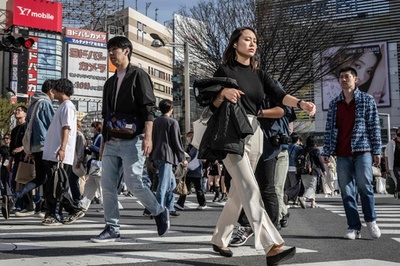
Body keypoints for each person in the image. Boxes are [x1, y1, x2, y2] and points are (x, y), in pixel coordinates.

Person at [209, 27, 315, 265]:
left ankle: (219, 239)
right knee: (249, 187)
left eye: (255, 40)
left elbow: (280, 95)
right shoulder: (224, 70)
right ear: (235, 43)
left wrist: (301, 103)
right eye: (247, 39)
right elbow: (212, 103)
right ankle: (271, 246)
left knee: (239, 191)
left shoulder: (259, 73)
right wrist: (223, 93)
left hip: (255, 131)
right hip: (231, 132)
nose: (252, 43)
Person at [91, 36, 169, 243]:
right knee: (107, 186)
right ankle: (112, 227)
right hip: (111, 141)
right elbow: (106, 115)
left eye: (114, 49)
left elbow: (149, 109)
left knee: (134, 182)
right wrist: (103, 142)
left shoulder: (139, 76)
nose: (110, 53)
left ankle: (159, 210)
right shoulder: (109, 82)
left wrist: (148, 137)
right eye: (109, 50)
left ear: (126, 51)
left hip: (133, 139)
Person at [322, 66, 382, 240]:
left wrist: (377, 150)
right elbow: (329, 129)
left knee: (365, 186)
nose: (343, 79)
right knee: (347, 191)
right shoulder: (334, 103)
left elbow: (374, 127)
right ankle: (354, 227)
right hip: (342, 152)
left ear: (355, 80)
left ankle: (371, 220)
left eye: (347, 76)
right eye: (341, 77)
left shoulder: (367, 100)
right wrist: (327, 150)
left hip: (362, 149)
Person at [7, 79, 56, 218]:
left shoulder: (33, 104)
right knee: (50, 178)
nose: (55, 96)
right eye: (55, 92)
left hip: (34, 147)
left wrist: (30, 150)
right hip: (45, 145)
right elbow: (51, 125)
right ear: (51, 90)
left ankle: (14, 197)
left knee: (40, 178)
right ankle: (48, 210)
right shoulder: (45, 103)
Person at [42, 78, 85, 226]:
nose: (53, 91)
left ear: (62, 90)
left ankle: (56, 213)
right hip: (53, 152)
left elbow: (67, 128)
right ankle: (70, 210)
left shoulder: (67, 106)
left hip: (59, 153)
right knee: (55, 185)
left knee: (56, 186)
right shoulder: (62, 106)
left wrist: (62, 148)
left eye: (56, 89)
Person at [150, 99, 187, 217]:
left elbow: (153, 139)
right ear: (171, 109)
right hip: (167, 156)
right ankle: (158, 210)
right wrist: (182, 158)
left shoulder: (155, 122)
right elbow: (176, 141)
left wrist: (151, 158)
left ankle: (169, 208)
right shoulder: (172, 122)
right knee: (164, 184)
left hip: (156, 154)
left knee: (171, 184)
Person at [323, 44, 387, 108]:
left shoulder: (360, 96)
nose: (361, 77)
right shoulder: (330, 85)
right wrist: (382, 69)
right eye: (357, 65)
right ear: (341, 59)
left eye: (369, 71)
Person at [175, 131, 207, 210]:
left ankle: (202, 203)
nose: (187, 138)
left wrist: (185, 160)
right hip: (190, 171)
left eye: (188, 137)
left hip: (195, 170)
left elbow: (191, 157)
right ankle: (180, 203)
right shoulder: (190, 146)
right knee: (185, 187)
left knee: (198, 188)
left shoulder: (195, 147)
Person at [298, 135, 326, 208]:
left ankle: (313, 202)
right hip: (312, 171)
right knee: (311, 187)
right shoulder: (315, 150)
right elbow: (320, 161)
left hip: (303, 171)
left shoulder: (302, 150)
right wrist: (324, 170)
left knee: (308, 187)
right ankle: (303, 198)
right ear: (314, 142)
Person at [285, 133, 304, 207]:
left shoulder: (286, 147)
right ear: (297, 140)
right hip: (294, 168)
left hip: (286, 167)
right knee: (295, 185)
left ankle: (287, 200)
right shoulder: (298, 148)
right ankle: (289, 196)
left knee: (288, 184)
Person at [385, 127, 400, 199]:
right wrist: (387, 167)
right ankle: (398, 192)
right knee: (399, 178)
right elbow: (386, 155)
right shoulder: (391, 143)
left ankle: (398, 191)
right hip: (395, 166)